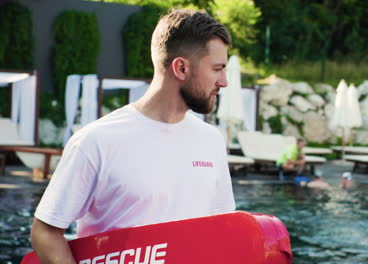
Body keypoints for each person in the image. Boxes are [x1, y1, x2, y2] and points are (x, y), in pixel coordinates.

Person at [30, 9, 235, 263]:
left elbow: (222, 229)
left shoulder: (211, 140)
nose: (224, 81)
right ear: (181, 68)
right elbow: (45, 232)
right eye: (217, 69)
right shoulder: (96, 141)